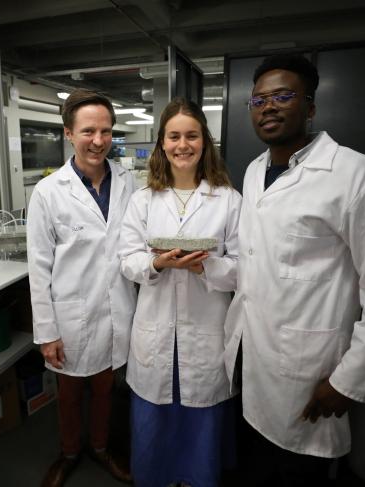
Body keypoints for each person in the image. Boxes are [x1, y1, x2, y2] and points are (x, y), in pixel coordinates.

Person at [223, 54, 365, 485]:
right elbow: (254, 262)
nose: (268, 106)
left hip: (308, 370)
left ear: (309, 107)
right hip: (249, 357)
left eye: (283, 96)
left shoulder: (353, 174)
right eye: (258, 100)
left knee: (296, 471)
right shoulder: (254, 171)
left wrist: (349, 380)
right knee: (252, 465)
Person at [119, 97, 241, 487]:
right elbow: (127, 260)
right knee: (154, 414)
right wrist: (157, 263)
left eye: (191, 136)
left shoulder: (229, 199)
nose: (182, 145)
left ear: (204, 142)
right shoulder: (142, 200)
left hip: (206, 327)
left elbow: (244, 267)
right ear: (162, 143)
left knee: (202, 412)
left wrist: (205, 264)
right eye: (174, 136)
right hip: (155, 331)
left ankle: (198, 478)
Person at [27, 89, 136, 487]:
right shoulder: (48, 192)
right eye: (88, 130)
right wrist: (47, 332)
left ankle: (102, 448)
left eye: (106, 131)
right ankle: (70, 452)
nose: (99, 140)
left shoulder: (128, 182)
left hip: (118, 307)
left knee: (107, 388)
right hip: (71, 313)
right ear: (69, 134)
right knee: (70, 392)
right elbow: (38, 267)